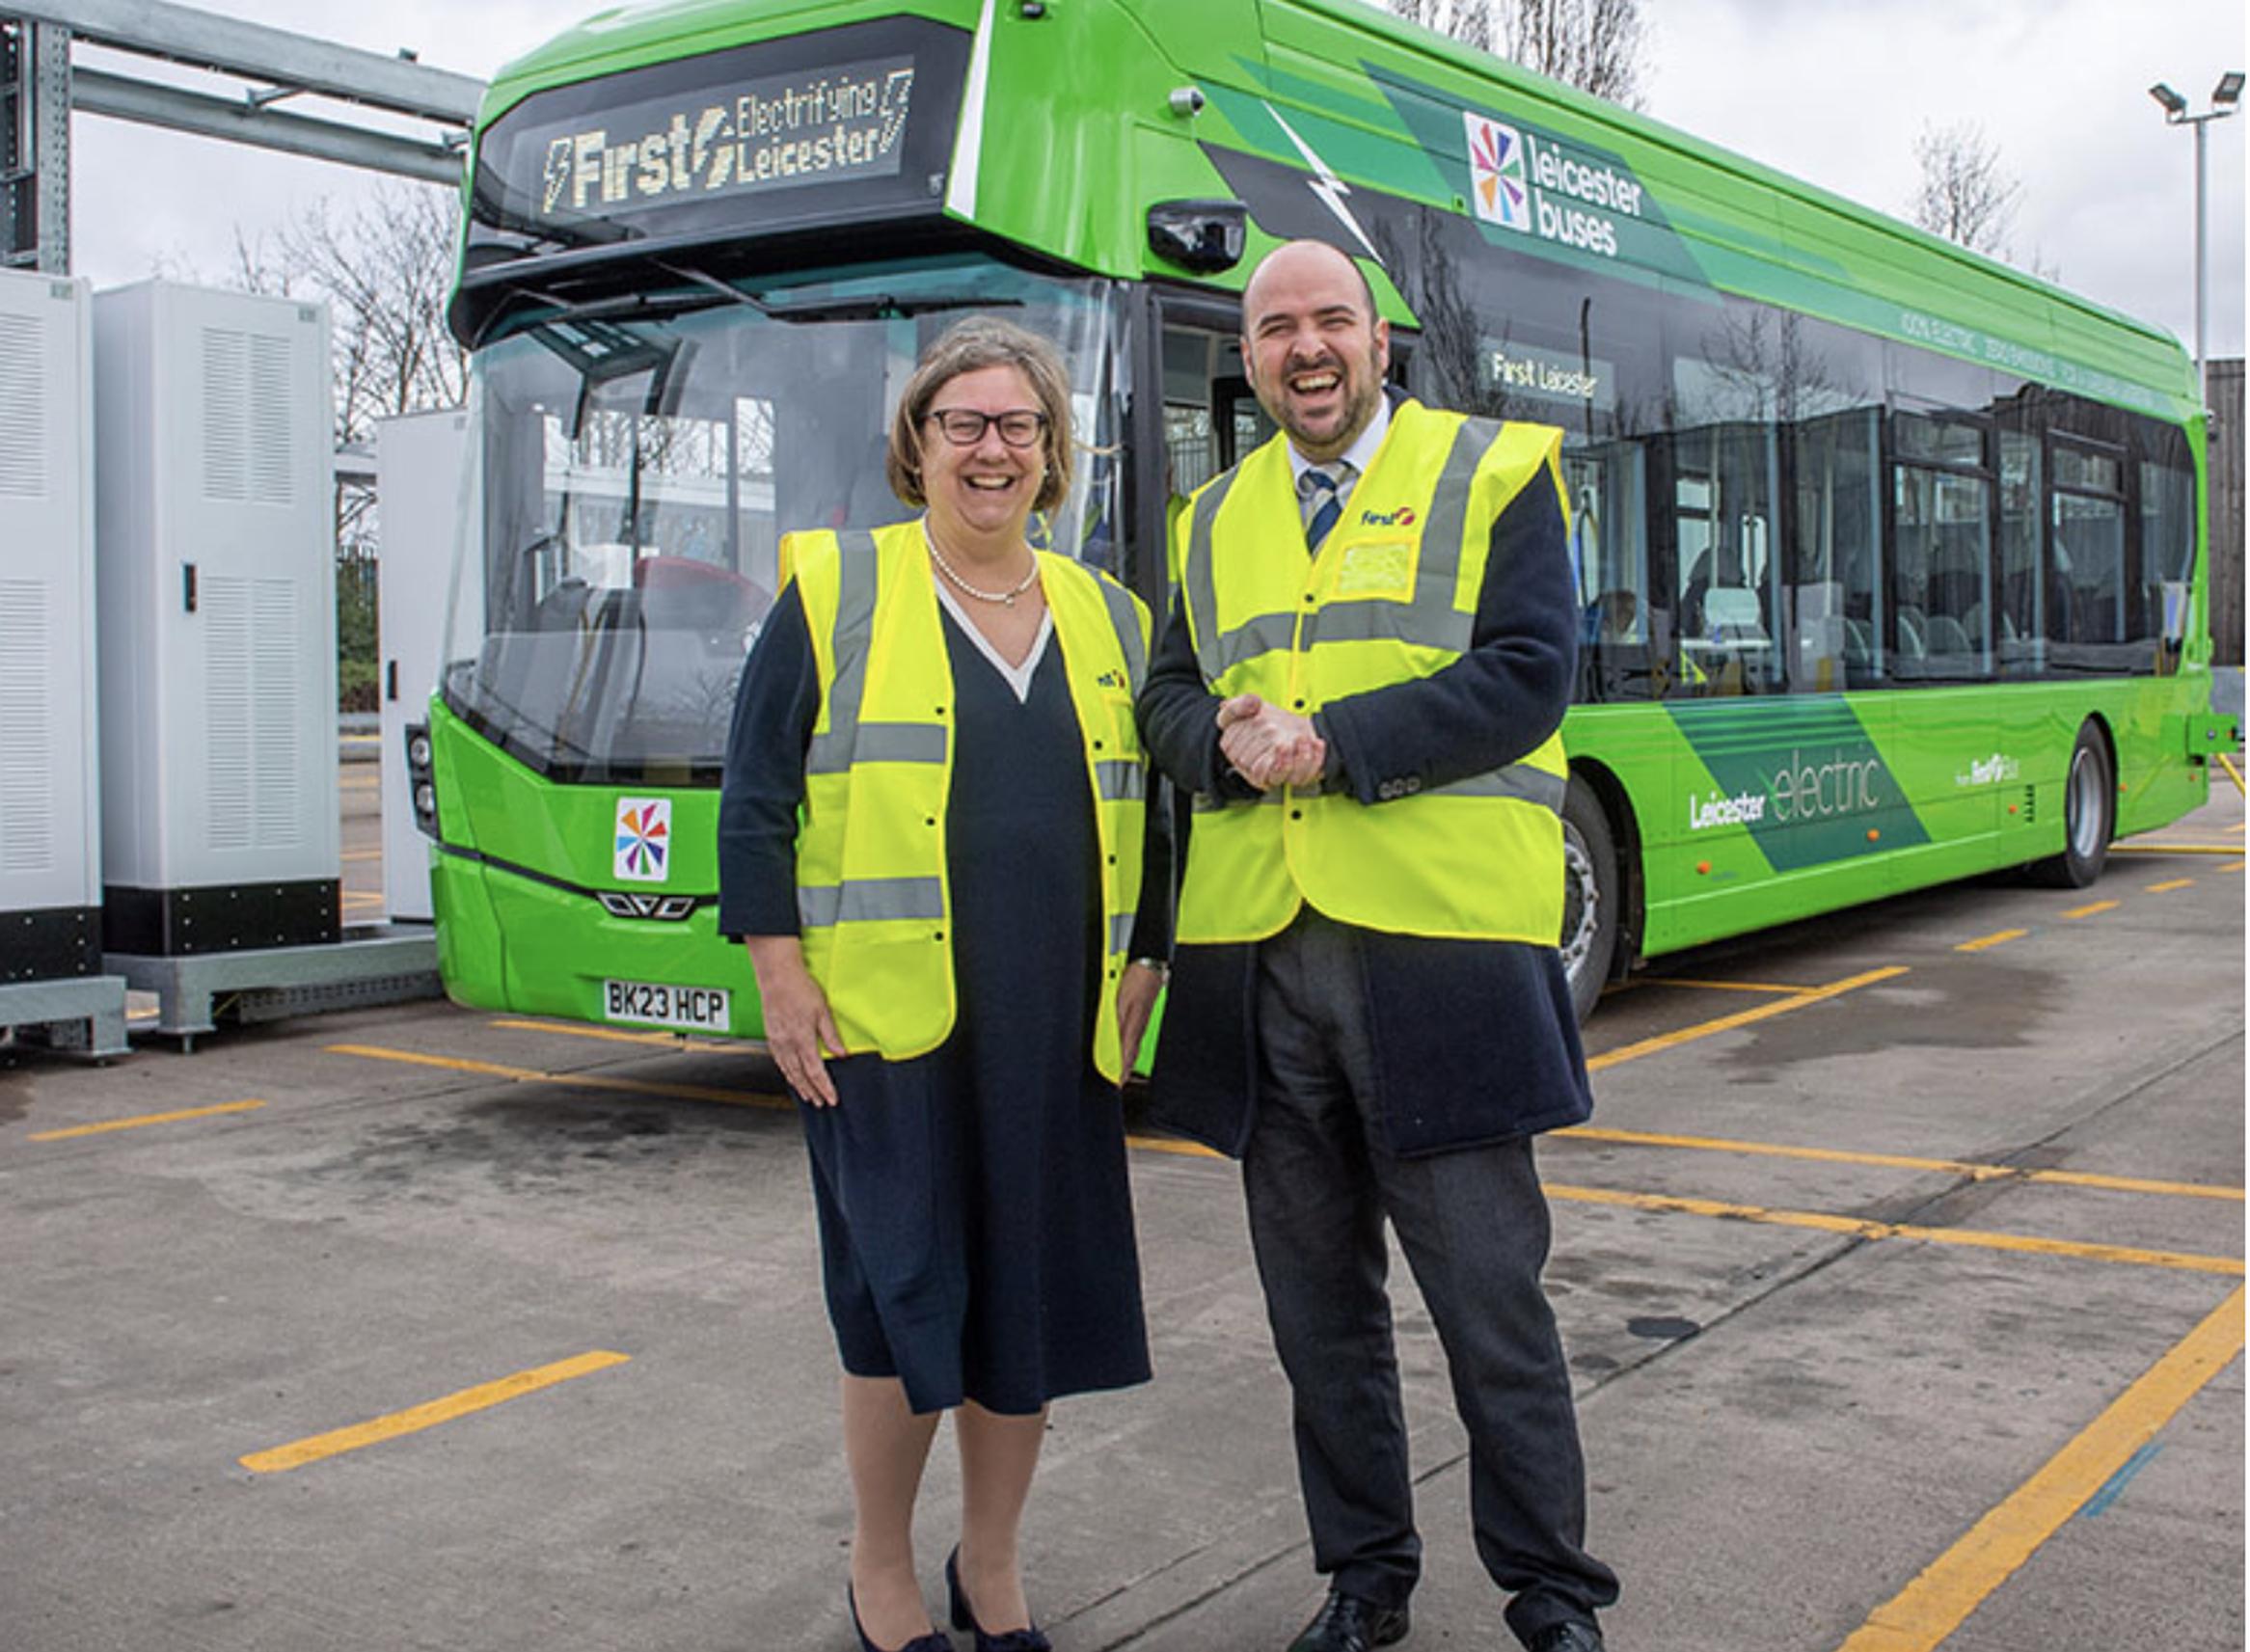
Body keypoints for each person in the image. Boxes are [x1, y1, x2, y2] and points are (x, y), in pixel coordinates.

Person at [1136, 239, 1620, 1652]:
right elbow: (1168, 695)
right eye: (1275, 327)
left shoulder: (1494, 469)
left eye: (1329, 320)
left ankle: (1551, 1594)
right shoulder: (1207, 516)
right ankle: (1363, 1579)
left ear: (1378, 338)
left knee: (1488, 1303)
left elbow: (1527, 680)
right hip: (1256, 961)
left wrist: (1332, 743)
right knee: (1315, 1317)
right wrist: (1220, 748)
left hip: (1440, 951)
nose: (1305, 348)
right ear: (1247, 353)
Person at [718, 316, 1168, 1652]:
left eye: (1016, 425)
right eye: (960, 423)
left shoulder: (1111, 616)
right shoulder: (834, 590)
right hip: (882, 1020)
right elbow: (754, 797)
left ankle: (992, 1561)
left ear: (1051, 451)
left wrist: (1151, 956)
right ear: (917, 446)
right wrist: (778, 971)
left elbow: (1166, 815)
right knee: (898, 1291)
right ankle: (880, 1567)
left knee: (1022, 1294)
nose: (990, 448)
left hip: (1054, 1016)